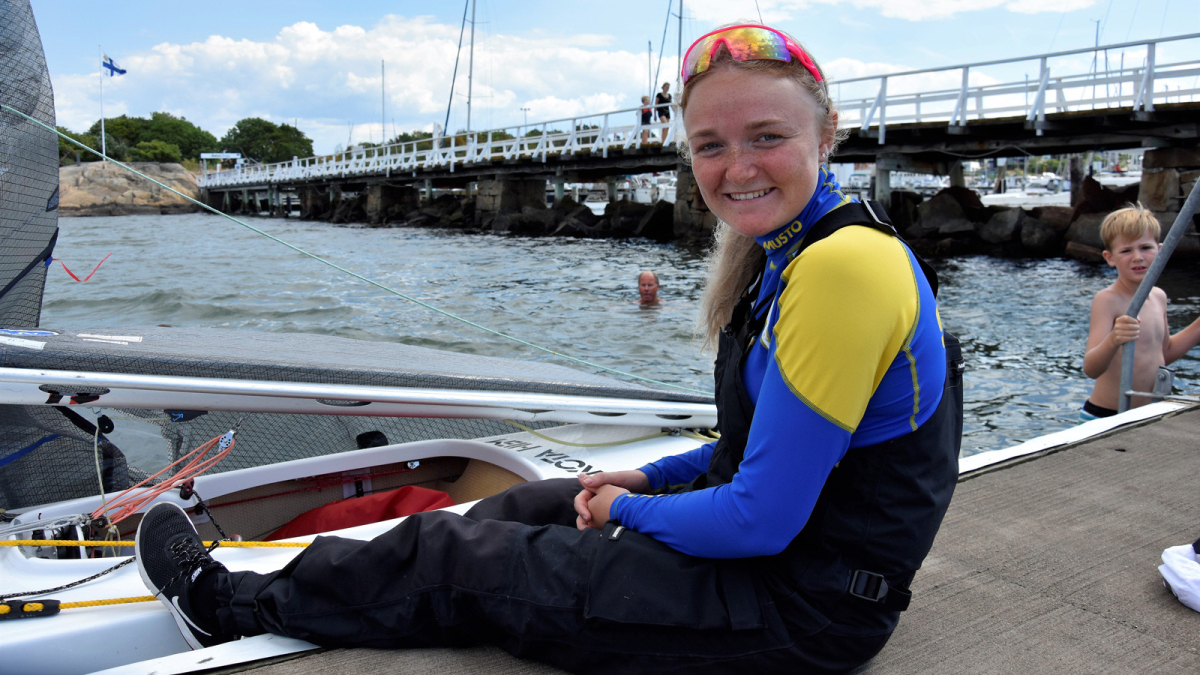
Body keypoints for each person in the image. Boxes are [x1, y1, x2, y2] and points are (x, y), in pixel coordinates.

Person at [134, 23, 962, 674]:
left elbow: (759, 519)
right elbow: (754, 448)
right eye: (711, 145)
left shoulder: (844, 266)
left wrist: (623, 512)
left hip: (804, 613)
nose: (736, 167)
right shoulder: (791, 253)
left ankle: (223, 605)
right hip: (780, 572)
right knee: (535, 505)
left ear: (827, 134)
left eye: (765, 136)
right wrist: (644, 478)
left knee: (459, 554)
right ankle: (332, 587)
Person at [1081, 204, 1200, 421]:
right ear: (1110, 257)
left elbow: (1164, 354)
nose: (1137, 257)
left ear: (1160, 250)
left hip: (1145, 416)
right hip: (1106, 416)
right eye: (1126, 251)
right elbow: (1091, 368)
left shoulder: (1159, 296)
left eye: (1145, 247)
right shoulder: (1107, 300)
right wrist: (1114, 339)